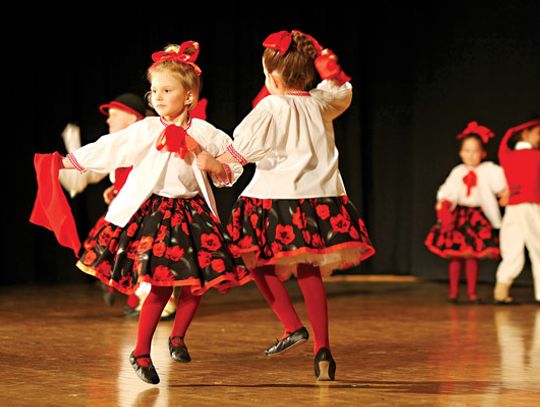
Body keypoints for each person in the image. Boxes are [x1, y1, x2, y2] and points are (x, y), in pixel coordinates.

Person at [59, 40, 249, 384]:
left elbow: (231, 169)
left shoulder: (206, 132)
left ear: (188, 95)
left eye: (166, 90)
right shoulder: (148, 129)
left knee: (197, 282)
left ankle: (177, 336)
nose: (157, 97)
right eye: (153, 90)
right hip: (159, 213)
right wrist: (68, 161)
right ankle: (142, 352)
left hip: (194, 213)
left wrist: (207, 159)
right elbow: (111, 148)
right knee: (160, 285)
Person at [199, 30, 375, 381]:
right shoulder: (319, 103)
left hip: (274, 197)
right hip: (319, 199)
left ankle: (291, 325)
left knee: (252, 257)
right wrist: (331, 69)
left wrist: (210, 160)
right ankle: (322, 349)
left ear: (273, 78)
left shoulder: (270, 107)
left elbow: (240, 153)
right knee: (309, 269)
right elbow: (340, 90)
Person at [425, 121, 508, 304]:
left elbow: (501, 184)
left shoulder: (488, 171)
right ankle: (453, 292)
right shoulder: (458, 171)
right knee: (455, 255)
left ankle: (472, 293)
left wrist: (505, 193)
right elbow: (447, 190)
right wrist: (443, 203)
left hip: (476, 217)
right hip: (459, 217)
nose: (471, 155)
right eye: (467, 150)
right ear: (461, 153)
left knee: (472, 256)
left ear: (483, 153)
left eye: (475, 151)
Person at [494, 117, 540, 304]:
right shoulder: (535, 156)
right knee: (537, 248)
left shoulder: (507, 155)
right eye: (538, 133)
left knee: (512, 248)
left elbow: (505, 140)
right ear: (526, 133)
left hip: (514, 208)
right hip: (529, 206)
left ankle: (501, 291)